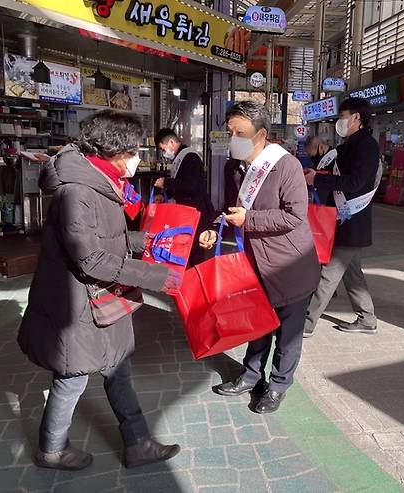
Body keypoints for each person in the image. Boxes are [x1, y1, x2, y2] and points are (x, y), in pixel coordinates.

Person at [18, 110, 181, 471]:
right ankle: (52, 450)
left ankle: (138, 444)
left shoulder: (97, 178)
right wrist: (152, 276)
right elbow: (90, 258)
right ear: (114, 150)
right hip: (76, 303)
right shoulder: (78, 190)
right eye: (134, 150)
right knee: (72, 376)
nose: (138, 157)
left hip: (98, 299)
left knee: (116, 367)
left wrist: (138, 240)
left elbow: (97, 237)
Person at [199, 101, 321, 414]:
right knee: (257, 325)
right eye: (230, 132)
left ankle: (278, 385)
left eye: (240, 133)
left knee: (288, 335)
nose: (233, 138)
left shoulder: (286, 165)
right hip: (255, 266)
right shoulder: (235, 167)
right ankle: (251, 375)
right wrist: (217, 227)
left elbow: (295, 216)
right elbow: (233, 209)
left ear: (262, 134)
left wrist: (249, 219)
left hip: (290, 266)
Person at [303, 97, 380, 338]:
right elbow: (334, 171)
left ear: (356, 118)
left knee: (328, 274)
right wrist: (317, 168)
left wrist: (318, 179)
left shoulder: (366, 146)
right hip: (341, 220)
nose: (340, 121)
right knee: (352, 273)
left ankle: (305, 324)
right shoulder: (348, 144)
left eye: (343, 116)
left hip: (351, 219)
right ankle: (367, 318)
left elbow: (354, 182)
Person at [154, 128, 214, 264]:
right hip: (186, 210)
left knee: (195, 250)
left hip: (196, 210)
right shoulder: (180, 157)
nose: (164, 153)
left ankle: (194, 279)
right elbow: (179, 183)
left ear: (171, 142)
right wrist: (165, 196)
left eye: (163, 149)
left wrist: (165, 182)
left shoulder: (190, 156)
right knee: (187, 248)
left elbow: (190, 184)